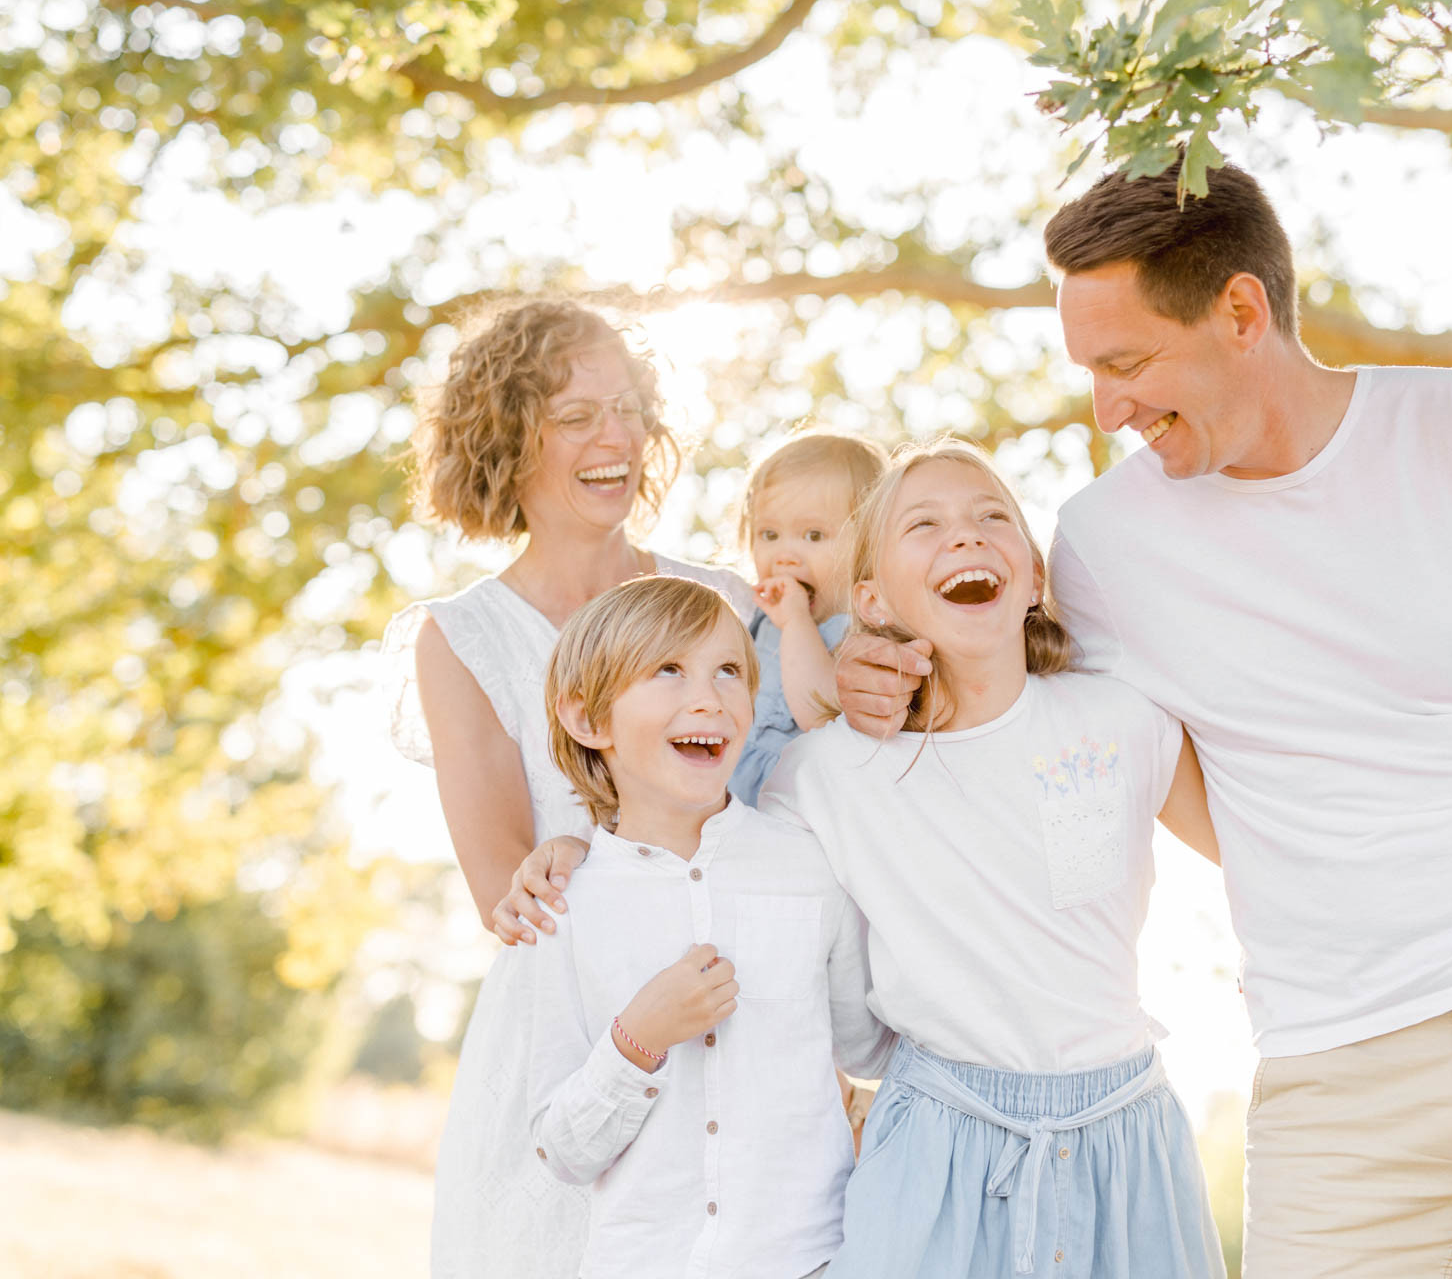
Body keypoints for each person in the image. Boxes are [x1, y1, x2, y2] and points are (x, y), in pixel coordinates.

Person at [834, 162, 1452, 1277]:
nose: (1105, 407)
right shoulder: (1101, 543)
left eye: (1125, 364)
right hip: (1336, 1069)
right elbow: (999, 687)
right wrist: (865, 659)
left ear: (1241, 313)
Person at [494, 441, 1226, 1278]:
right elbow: (701, 843)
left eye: (994, 517)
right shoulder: (822, 775)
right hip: (938, 1140)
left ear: (1032, 575)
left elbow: (1249, 859)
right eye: (925, 524)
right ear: (871, 596)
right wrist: (575, 851)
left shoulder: (1123, 718)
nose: (965, 536)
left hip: (1125, 1135)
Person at [382, 297, 752, 1279]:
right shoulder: (464, 636)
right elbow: (509, 890)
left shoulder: (728, 602)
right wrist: (586, 850)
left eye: (630, 408)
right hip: (564, 1027)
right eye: (578, 413)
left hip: (730, 992)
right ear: (509, 434)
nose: (617, 437)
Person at [525, 574, 893, 1279]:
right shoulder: (562, 904)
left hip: (811, 1260)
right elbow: (562, 1150)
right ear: (587, 718)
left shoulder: (809, 864)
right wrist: (637, 1041)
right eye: (667, 670)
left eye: (729, 670)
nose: (709, 697)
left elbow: (869, 1048)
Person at [730, 429, 890, 805]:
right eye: (769, 534)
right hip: (726, 792)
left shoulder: (862, 631)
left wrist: (797, 622)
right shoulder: (755, 622)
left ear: (871, 543)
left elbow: (820, 714)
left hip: (791, 804)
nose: (785, 555)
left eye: (814, 535)